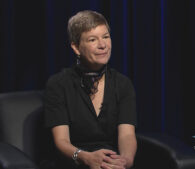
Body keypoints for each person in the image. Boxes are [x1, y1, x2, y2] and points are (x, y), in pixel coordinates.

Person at [44, 10, 137, 169]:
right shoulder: (58, 84)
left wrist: (125, 161)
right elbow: (61, 141)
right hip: (73, 162)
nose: (103, 45)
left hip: (111, 163)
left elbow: (127, 134)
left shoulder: (123, 84)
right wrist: (85, 157)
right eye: (93, 39)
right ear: (76, 47)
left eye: (106, 37)